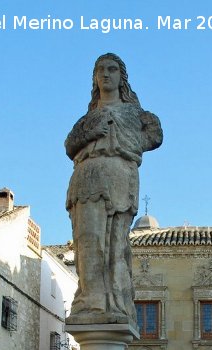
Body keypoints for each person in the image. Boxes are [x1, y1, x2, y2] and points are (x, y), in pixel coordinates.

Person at [65, 53, 162, 326]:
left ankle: (116, 300)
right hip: (86, 178)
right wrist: (92, 132)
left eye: (112, 69)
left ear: (122, 77)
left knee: (116, 245)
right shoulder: (87, 118)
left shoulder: (135, 115)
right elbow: (69, 145)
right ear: (95, 79)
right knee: (87, 241)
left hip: (120, 176)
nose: (105, 74)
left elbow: (154, 136)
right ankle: (91, 300)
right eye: (100, 70)